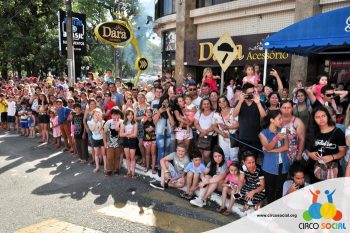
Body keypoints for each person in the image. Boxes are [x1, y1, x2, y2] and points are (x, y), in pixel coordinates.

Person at [307, 106, 346, 182]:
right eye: (317, 117)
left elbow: (343, 151)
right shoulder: (312, 132)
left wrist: (332, 157)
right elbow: (304, 150)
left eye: (323, 116)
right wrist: (309, 154)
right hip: (316, 169)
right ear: (313, 119)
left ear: (328, 116)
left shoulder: (337, 132)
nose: (321, 119)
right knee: (317, 192)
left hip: (333, 170)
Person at [259, 110, 289, 204]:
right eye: (279, 118)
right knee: (270, 190)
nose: (281, 120)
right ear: (272, 120)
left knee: (279, 189)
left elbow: (286, 147)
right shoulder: (263, 133)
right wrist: (276, 139)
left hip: (283, 165)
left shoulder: (283, 130)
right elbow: (267, 146)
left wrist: (271, 151)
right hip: (269, 167)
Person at [233, 83, 266, 159]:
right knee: (243, 160)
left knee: (253, 160)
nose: (251, 95)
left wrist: (258, 103)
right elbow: (234, 114)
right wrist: (240, 101)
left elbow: (264, 116)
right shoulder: (239, 102)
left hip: (255, 138)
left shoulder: (259, 102)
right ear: (244, 93)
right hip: (242, 138)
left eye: (253, 92)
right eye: (249, 93)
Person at [212, 96, 239, 162]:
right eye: (220, 102)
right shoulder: (216, 114)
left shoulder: (233, 110)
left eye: (224, 101)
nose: (222, 103)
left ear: (227, 101)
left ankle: (233, 171)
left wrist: (228, 127)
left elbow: (238, 124)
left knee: (234, 156)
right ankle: (226, 171)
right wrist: (221, 133)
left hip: (233, 136)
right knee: (224, 155)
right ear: (218, 104)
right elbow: (213, 126)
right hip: (222, 137)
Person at [153, 94, 175, 168]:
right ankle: (160, 167)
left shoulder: (170, 111)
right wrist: (159, 112)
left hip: (168, 134)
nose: (165, 104)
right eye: (164, 102)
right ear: (161, 103)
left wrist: (168, 112)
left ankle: (165, 167)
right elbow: (154, 122)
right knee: (161, 152)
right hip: (160, 134)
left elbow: (173, 123)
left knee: (167, 152)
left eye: (167, 102)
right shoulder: (157, 110)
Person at [103, 108, 124, 176]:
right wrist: (105, 142)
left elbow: (123, 132)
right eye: (114, 115)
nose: (116, 117)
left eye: (118, 115)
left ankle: (116, 169)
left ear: (120, 115)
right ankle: (109, 169)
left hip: (118, 143)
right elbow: (104, 133)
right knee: (109, 157)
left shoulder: (122, 122)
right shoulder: (108, 122)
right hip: (110, 143)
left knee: (117, 156)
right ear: (111, 115)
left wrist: (119, 129)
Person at [194, 98, 215, 164]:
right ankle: (202, 169)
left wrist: (206, 131)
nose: (206, 105)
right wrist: (202, 131)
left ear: (210, 104)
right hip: (200, 135)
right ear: (202, 105)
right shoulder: (199, 112)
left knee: (206, 155)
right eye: (204, 104)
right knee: (200, 154)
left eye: (208, 104)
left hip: (211, 136)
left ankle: (208, 168)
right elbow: (196, 123)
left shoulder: (214, 113)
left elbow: (215, 125)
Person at [120, 108, 138, 178]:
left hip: (133, 141)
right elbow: (121, 134)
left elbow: (135, 135)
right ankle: (128, 172)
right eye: (129, 115)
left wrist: (126, 134)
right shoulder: (123, 123)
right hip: (126, 141)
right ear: (126, 116)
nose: (130, 116)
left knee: (132, 157)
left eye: (132, 115)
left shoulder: (135, 123)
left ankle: (133, 172)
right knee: (127, 157)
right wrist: (128, 133)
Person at [87, 108, 106, 173]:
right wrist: (95, 122)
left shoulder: (102, 121)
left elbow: (101, 130)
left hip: (102, 139)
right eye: (96, 115)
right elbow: (92, 129)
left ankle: (105, 167)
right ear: (93, 115)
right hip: (95, 140)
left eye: (99, 115)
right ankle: (97, 167)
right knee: (96, 154)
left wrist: (100, 122)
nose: (97, 116)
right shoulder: (90, 122)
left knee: (104, 154)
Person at [141, 107, 157, 173]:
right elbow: (143, 122)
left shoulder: (154, 119)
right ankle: (147, 167)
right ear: (145, 113)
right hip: (146, 139)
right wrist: (147, 118)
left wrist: (153, 128)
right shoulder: (144, 119)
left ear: (152, 113)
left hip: (153, 139)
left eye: (150, 112)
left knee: (153, 153)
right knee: (147, 153)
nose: (149, 113)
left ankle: (153, 168)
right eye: (147, 112)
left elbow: (156, 127)